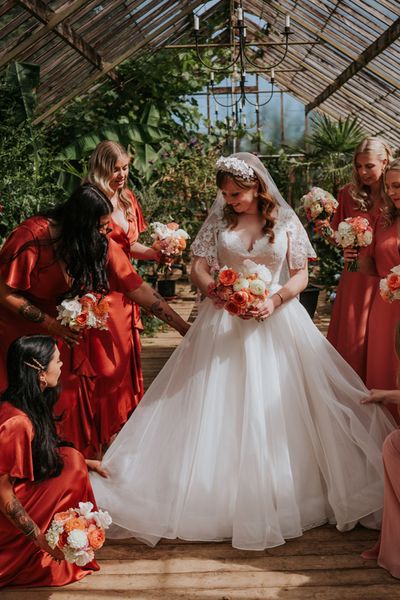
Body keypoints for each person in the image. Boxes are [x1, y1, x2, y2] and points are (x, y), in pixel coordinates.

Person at [91, 152, 394, 551]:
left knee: (279, 403)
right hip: (224, 320)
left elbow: (302, 273)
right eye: (225, 194)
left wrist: (275, 299)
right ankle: (212, 492)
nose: (229, 200)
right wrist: (218, 290)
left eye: (236, 194)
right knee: (216, 404)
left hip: (278, 319)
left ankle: (290, 492)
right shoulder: (220, 220)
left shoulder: (284, 221)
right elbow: (199, 266)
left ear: (256, 188)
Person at [0, 185, 189, 457]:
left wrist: (183, 327)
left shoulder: (98, 242)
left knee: (69, 399)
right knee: (28, 405)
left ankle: (71, 465)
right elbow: (4, 292)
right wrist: (50, 325)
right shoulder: (32, 236)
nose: (108, 232)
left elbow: (137, 288)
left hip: (65, 334)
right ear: (80, 224)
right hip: (22, 334)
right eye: (101, 226)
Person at [0, 335, 107, 588]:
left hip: (16, 494)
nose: (61, 366)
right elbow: (3, 495)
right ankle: (36, 552)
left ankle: (66, 536)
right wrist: (40, 540)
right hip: (4, 514)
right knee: (72, 468)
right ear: (39, 371)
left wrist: (90, 463)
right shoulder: (16, 423)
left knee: (72, 458)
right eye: (57, 361)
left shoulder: (21, 402)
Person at [83, 141, 159, 446]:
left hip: (128, 293)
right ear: (101, 168)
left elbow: (128, 248)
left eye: (125, 167)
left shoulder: (127, 199)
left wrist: (156, 253)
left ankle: (124, 440)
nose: (122, 174)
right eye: (116, 168)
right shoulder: (91, 201)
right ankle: (102, 437)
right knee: (108, 371)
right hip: (103, 294)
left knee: (127, 363)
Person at [326, 137, 392, 382]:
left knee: (381, 335)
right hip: (354, 268)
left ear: (384, 162)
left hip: (386, 270)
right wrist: (339, 241)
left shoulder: (394, 192)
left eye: (369, 166)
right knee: (353, 334)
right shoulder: (347, 193)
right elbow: (337, 235)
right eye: (358, 166)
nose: (363, 172)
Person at [364, 158, 400, 394]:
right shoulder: (383, 219)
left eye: (397, 185)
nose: (391, 192)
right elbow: (369, 269)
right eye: (388, 187)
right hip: (385, 307)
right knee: (383, 369)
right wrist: (355, 253)